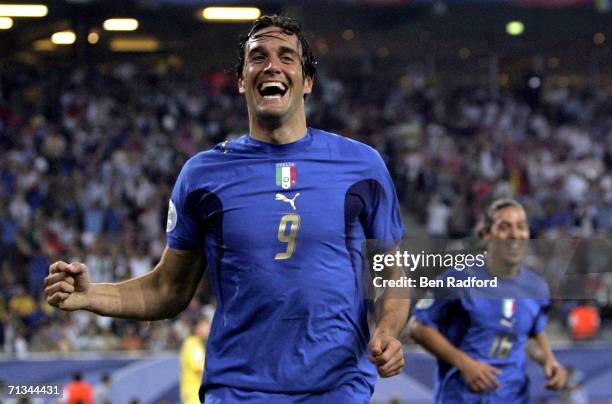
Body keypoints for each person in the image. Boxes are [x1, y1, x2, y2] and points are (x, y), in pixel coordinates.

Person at [44, 15, 409, 403]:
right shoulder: (202, 175)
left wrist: (387, 330)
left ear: (308, 81)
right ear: (241, 80)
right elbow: (169, 289)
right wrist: (91, 296)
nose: (272, 66)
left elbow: (393, 275)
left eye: (287, 57)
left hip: (337, 389)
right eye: (258, 57)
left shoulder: (362, 166)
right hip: (238, 390)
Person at [409, 198, 567, 403]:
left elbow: (530, 335)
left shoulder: (536, 287)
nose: (514, 235)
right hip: (460, 397)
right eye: (504, 227)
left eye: (521, 226)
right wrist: (465, 364)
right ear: (486, 235)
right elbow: (417, 327)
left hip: (513, 397)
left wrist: (549, 360)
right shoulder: (457, 279)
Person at [180, 316, 210, 404]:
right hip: (194, 395)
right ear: (198, 327)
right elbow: (201, 370)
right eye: (206, 326)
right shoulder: (194, 345)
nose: (209, 329)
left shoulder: (195, 343)